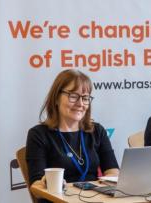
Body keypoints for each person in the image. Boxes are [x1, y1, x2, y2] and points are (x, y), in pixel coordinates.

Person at [26, 70, 119, 201]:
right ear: (56, 98)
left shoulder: (97, 131)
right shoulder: (39, 134)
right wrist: (47, 182)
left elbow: (113, 171)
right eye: (73, 96)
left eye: (85, 98)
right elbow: (36, 188)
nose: (81, 104)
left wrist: (110, 183)